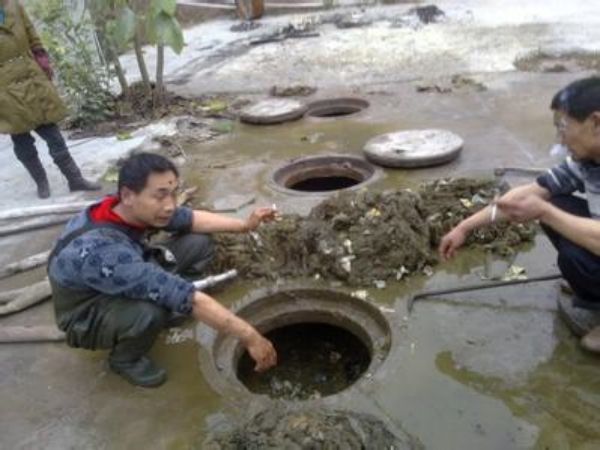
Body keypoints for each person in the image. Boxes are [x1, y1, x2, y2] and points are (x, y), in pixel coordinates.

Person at [47, 152, 278, 387]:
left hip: (125, 271)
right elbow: (191, 299)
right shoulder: (103, 252)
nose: (170, 205)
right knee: (149, 311)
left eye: (173, 193)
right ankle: (125, 359)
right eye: (160, 196)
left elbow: (191, 219)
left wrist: (245, 225)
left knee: (198, 243)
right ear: (127, 194)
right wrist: (250, 337)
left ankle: (168, 303)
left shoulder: (127, 207)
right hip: (86, 312)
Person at [439, 76, 600, 354]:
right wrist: (464, 228)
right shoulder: (587, 160)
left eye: (564, 126)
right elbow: (530, 193)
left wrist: (545, 213)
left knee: (573, 250)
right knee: (558, 202)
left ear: (595, 122)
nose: (560, 138)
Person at [0, 1, 100, 199]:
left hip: (32, 76)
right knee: (21, 139)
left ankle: (75, 179)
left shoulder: (14, 6)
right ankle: (41, 182)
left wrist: (41, 59)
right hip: (4, 86)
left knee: (52, 132)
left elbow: (32, 34)